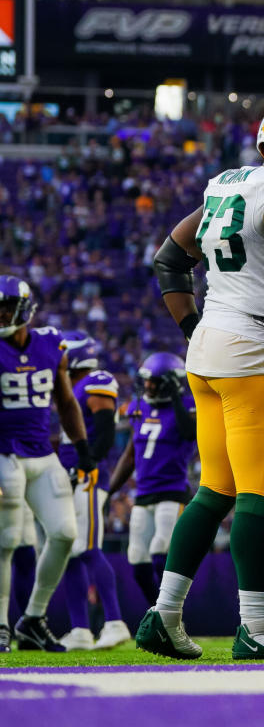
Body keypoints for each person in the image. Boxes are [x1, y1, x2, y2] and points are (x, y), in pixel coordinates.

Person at [136, 97, 264, 660]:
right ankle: (256, 626)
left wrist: (192, 327)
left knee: (214, 491)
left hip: (208, 351)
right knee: (260, 496)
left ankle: (164, 612)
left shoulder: (226, 184)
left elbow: (168, 259)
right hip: (255, 350)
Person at [0, 275, 90, 653]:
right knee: (5, 542)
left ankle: (33, 618)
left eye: (5, 306)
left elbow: (67, 401)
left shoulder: (51, 344)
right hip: (4, 453)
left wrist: (83, 449)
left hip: (41, 453)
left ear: (23, 309)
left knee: (66, 533)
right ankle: (2, 626)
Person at [56, 331, 129, 651]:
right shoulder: (71, 388)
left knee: (87, 548)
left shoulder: (93, 382)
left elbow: (105, 432)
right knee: (69, 553)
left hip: (85, 476)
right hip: (69, 475)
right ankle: (80, 629)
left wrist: (88, 465)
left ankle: (114, 622)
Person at [108, 353, 196, 608]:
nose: (147, 386)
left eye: (154, 382)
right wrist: (109, 491)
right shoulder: (138, 407)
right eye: (146, 381)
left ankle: (170, 613)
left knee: (160, 551)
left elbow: (189, 433)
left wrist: (177, 398)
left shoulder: (188, 405)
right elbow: (130, 455)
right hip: (144, 494)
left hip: (172, 492)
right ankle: (156, 615)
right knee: (137, 559)